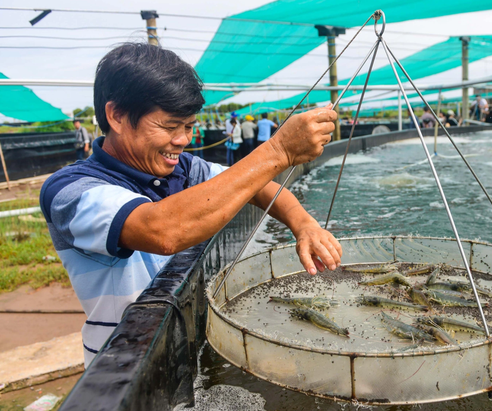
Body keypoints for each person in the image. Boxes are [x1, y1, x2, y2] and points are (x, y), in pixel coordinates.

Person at [40, 43, 342, 367]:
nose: (182, 140)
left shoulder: (185, 168)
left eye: (189, 126)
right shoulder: (70, 190)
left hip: (187, 349)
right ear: (117, 116)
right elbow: (163, 231)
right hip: (123, 366)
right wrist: (278, 152)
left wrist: (303, 224)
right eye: (170, 127)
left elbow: (260, 186)